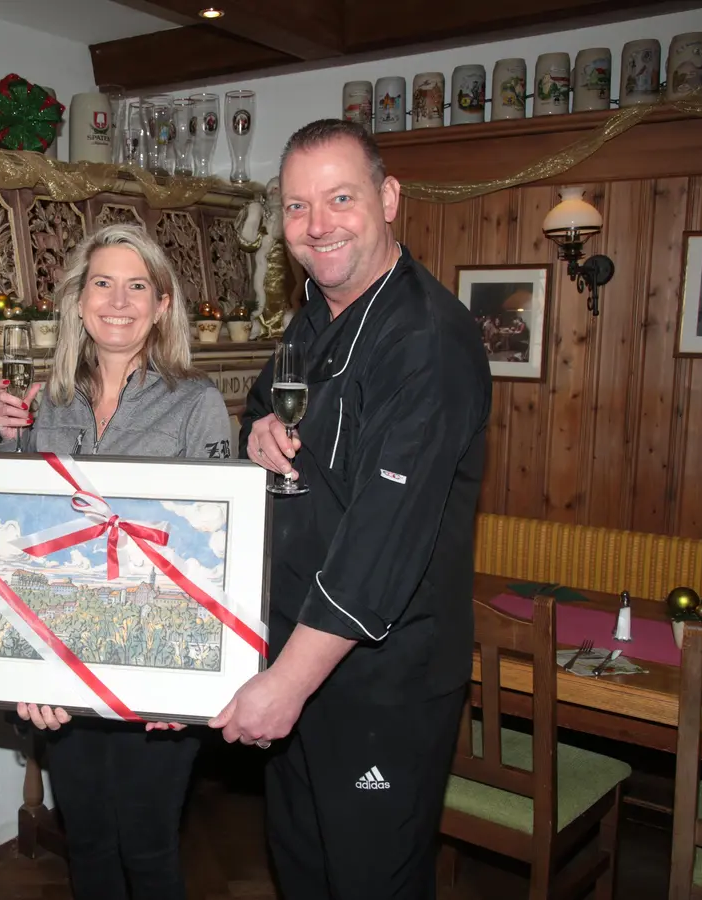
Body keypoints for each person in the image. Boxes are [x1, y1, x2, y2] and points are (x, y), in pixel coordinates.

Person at [209, 119, 492, 898]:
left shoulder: (427, 340)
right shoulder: (313, 318)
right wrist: (257, 431)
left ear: (388, 197)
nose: (318, 225)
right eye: (297, 207)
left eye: (340, 198)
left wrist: (286, 684)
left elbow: (382, 542)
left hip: (378, 685)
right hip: (299, 659)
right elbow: (265, 408)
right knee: (304, 873)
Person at [0, 223, 233, 900]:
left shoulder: (198, 405)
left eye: (137, 286)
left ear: (162, 304)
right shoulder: (51, 402)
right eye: (103, 282)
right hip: (66, 664)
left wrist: (187, 686)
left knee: (150, 848)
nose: (118, 300)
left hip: (155, 661)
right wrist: (8, 443)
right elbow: (16, 539)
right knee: (90, 845)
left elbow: (217, 552)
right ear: (78, 300)